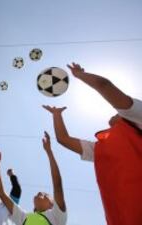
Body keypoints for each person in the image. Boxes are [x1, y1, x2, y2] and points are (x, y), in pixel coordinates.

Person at [43, 63, 142, 225]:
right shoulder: (104, 147)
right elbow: (63, 139)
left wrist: (79, 74)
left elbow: (104, 85)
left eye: (118, 112)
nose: (114, 115)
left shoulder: (137, 119)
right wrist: (56, 115)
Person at [0, 132, 67, 225]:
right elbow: (1, 193)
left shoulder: (56, 216)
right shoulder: (23, 217)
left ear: (52, 205)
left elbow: (57, 185)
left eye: (46, 194)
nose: (40, 192)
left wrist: (49, 152)